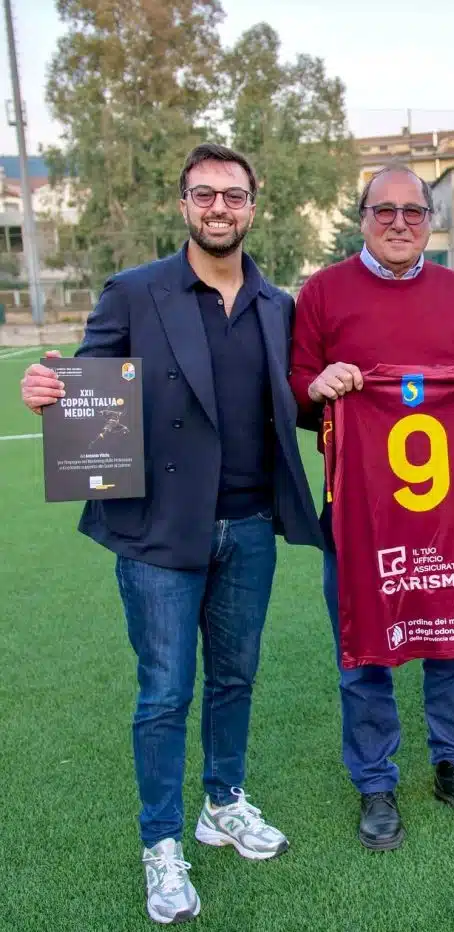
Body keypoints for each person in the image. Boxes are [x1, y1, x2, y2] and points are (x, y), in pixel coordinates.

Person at [19, 143, 323, 924]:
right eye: (204, 195)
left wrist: (330, 388)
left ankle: (222, 802)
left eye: (233, 195)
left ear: (254, 206)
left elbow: (296, 404)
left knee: (234, 679)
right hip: (160, 531)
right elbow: (86, 388)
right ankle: (161, 844)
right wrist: (47, 388)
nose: (219, 208)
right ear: (183, 204)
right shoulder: (135, 292)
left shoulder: (276, 305)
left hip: (250, 526)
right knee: (164, 693)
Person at [288, 163, 454, 851]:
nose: (399, 223)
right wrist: (319, 386)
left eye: (413, 213)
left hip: (452, 517)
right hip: (361, 515)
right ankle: (375, 780)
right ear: (362, 217)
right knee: (365, 649)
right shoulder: (325, 291)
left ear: (430, 221)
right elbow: (297, 386)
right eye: (384, 211)